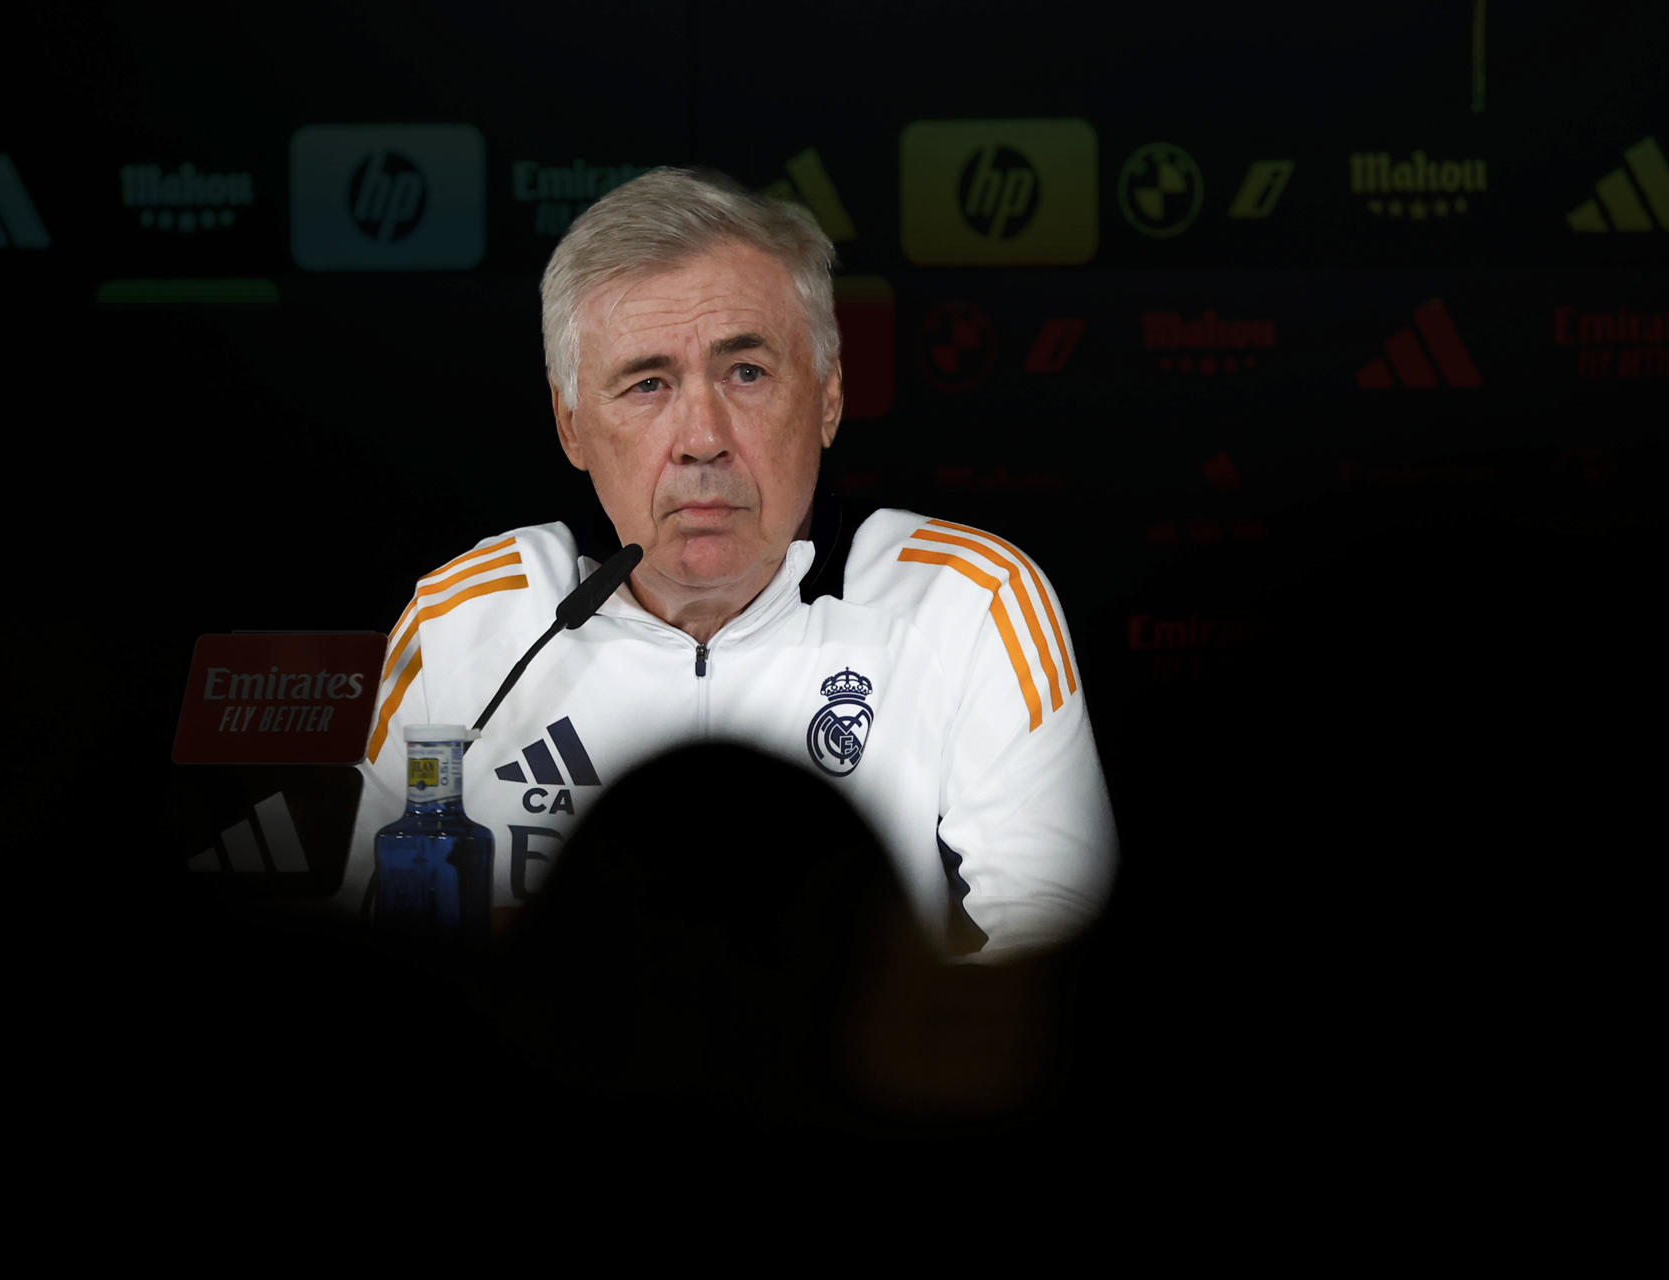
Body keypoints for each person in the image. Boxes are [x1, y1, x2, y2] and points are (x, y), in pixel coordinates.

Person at [340, 166, 1115, 961]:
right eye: (647, 384)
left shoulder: (967, 600)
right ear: (571, 427)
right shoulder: (463, 621)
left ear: (827, 397)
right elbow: (379, 948)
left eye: (746, 372)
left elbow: (1051, 953)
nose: (702, 437)